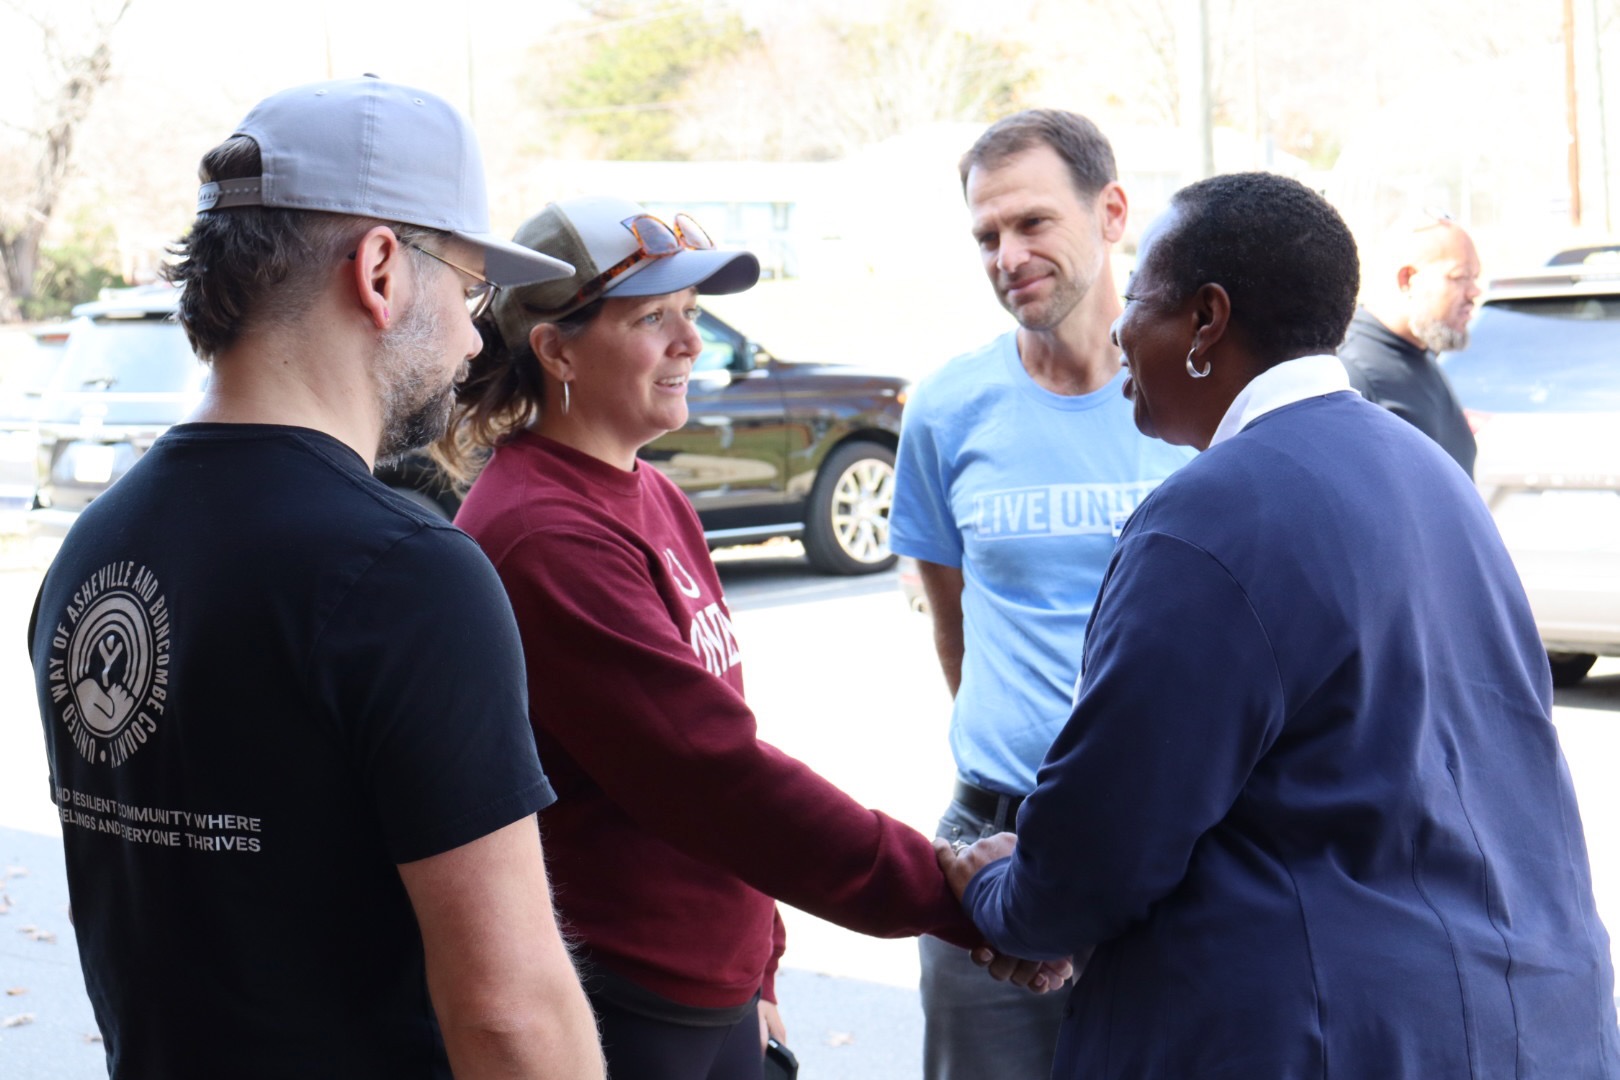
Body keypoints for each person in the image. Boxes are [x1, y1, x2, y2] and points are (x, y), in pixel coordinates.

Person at [938, 172, 1620, 1078]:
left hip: (1327, 1037)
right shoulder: (1431, 473)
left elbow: (1101, 847)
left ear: (1206, 321)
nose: (1118, 330)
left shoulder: (1209, 518)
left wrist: (996, 890)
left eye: (1137, 298)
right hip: (1533, 1019)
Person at [26, 77, 603, 1079]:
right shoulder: (406, 575)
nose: (475, 338)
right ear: (380, 270)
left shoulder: (93, 545)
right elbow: (510, 1016)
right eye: (469, 291)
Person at [436, 194, 1068, 1080]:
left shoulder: (650, 492)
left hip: (718, 987)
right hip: (631, 998)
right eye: (652, 318)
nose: (690, 343)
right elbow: (710, 774)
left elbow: (719, 742)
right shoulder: (543, 533)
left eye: (690, 312)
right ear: (557, 349)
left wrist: (763, 961)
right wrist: (962, 895)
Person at [888, 108, 1192, 1078]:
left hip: (1182, 845)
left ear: (1112, 213)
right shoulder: (947, 407)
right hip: (993, 843)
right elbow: (953, 628)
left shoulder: (1197, 400)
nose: (1007, 256)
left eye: (1031, 223)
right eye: (987, 235)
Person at [1338, 212, 1482, 476]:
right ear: (1407, 279)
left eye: (1475, 278)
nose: (1474, 292)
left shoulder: (1421, 353)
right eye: (1460, 277)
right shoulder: (1351, 374)